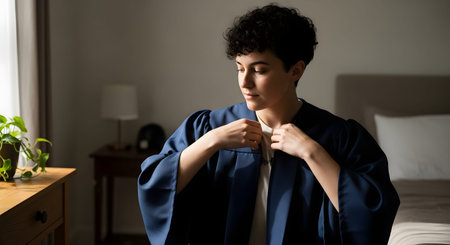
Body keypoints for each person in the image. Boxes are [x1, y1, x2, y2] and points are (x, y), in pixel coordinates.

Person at [138, 4, 399, 245]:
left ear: (295, 71)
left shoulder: (338, 138)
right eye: (240, 68)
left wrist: (312, 152)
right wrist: (211, 142)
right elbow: (155, 186)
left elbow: (372, 214)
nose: (245, 82)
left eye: (259, 70)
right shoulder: (208, 127)